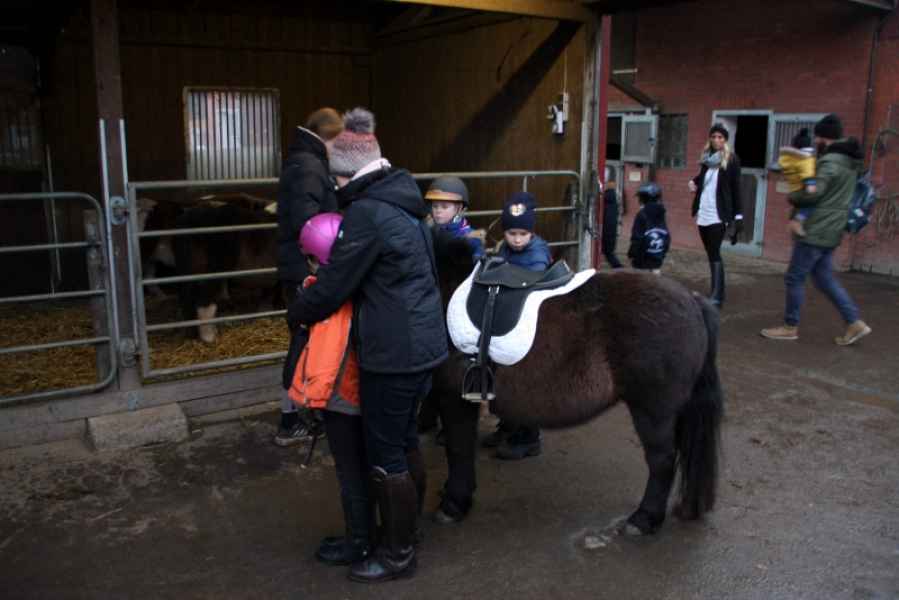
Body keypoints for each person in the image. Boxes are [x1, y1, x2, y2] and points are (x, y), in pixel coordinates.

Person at [287, 107, 448, 583]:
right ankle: (406, 533)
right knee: (403, 443)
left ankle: (398, 555)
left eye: (335, 180)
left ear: (344, 175)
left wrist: (299, 309)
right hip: (421, 344)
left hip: (393, 353)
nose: (334, 187)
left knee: (386, 454)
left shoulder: (367, 213)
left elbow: (334, 285)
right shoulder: (404, 199)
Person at [287, 212, 371, 568]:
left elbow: (321, 355)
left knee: (350, 470)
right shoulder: (367, 284)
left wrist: (312, 400)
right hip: (366, 388)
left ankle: (359, 540)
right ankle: (380, 531)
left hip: (341, 396)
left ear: (316, 258)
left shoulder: (322, 298)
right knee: (371, 463)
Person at [760, 113, 872, 345]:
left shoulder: (829, 163)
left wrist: (793, 195)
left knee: (794, 277)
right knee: (824, 278)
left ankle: (790, 326)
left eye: (818, 137)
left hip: (814, 229)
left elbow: (814, 194)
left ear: (824, 138)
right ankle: (854, 322)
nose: (816, 141)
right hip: (832, 229)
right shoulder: (849, 163)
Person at [274, 108, 343, 447]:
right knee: (304, 340)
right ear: (328, 138)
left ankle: (310, 411)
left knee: (307, 339)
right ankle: (289, 420)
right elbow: (309, 225)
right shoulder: (310, 167)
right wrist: (322, 265)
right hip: (306, 268)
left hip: (299, 265)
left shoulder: (302, 161)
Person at [482, 192, 551, 460]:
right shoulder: (504, 248)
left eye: (523, 233)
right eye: (512, 233)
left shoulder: (538, 253)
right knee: (503, 375)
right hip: (508, 320)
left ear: (532, 232)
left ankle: (529, 436)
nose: (518, 239)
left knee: (524, 380)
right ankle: (508, 426)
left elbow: (532, 278)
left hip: (529, 324)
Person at [418, 176, 484, 445]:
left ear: (460, 209)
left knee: (454, 367)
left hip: (457, 311)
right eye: (435, 206)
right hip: (434, 306)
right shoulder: (427, 233)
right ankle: (429, 414)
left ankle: (452, 422)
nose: (437, 211)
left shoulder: (470, 240)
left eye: (444, 206)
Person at [688, 123, 744, 308]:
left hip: (718, 214)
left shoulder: (731, 160)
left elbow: (736, 188)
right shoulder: (707, 159)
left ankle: (717, 296)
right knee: (711, 253)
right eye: (714, 137)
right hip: (703, 211)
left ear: (725, 140)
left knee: (714, 253)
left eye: (720, 137)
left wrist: (738, 216)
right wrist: (693, 181)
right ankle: (717, 292)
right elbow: (703, 178)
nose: (716, 140)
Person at [778, 128, 818, 237]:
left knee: (799, 206)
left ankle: (792, 220)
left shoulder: (788, 159)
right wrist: (811, 186)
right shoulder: (805, 160)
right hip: (801, 191)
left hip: (792, 191)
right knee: (812, 203)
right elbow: (808, 174)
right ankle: (797, 221)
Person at [627, 182, 670, 274]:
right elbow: (666, 236)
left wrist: (632, 254)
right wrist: (662, 254)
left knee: (640, 281)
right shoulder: (661, 213)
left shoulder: (641, 215)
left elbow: (637, 238)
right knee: (655, 281)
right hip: (657, 259)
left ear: (644, 198)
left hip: (641, 261)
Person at [601, 168, 623, 269]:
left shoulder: (607, 197)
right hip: (610, 228)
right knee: (609, 252)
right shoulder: (612, 196)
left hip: (608, 228)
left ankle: (619, 268)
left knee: (608, 252)